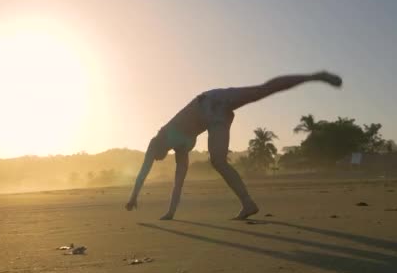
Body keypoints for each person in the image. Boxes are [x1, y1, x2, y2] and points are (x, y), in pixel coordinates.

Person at [125, 71, 342, 220]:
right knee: (218, 161)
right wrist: (170, 213)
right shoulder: (179, 149)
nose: (157, 159)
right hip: (216, 116)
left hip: (211, 101)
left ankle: (314, 77)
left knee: (262, 90)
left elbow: (144, 170)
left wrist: (134, 196)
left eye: (157, 157)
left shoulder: (160, 138)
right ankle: (248, 203)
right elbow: (178, 180)